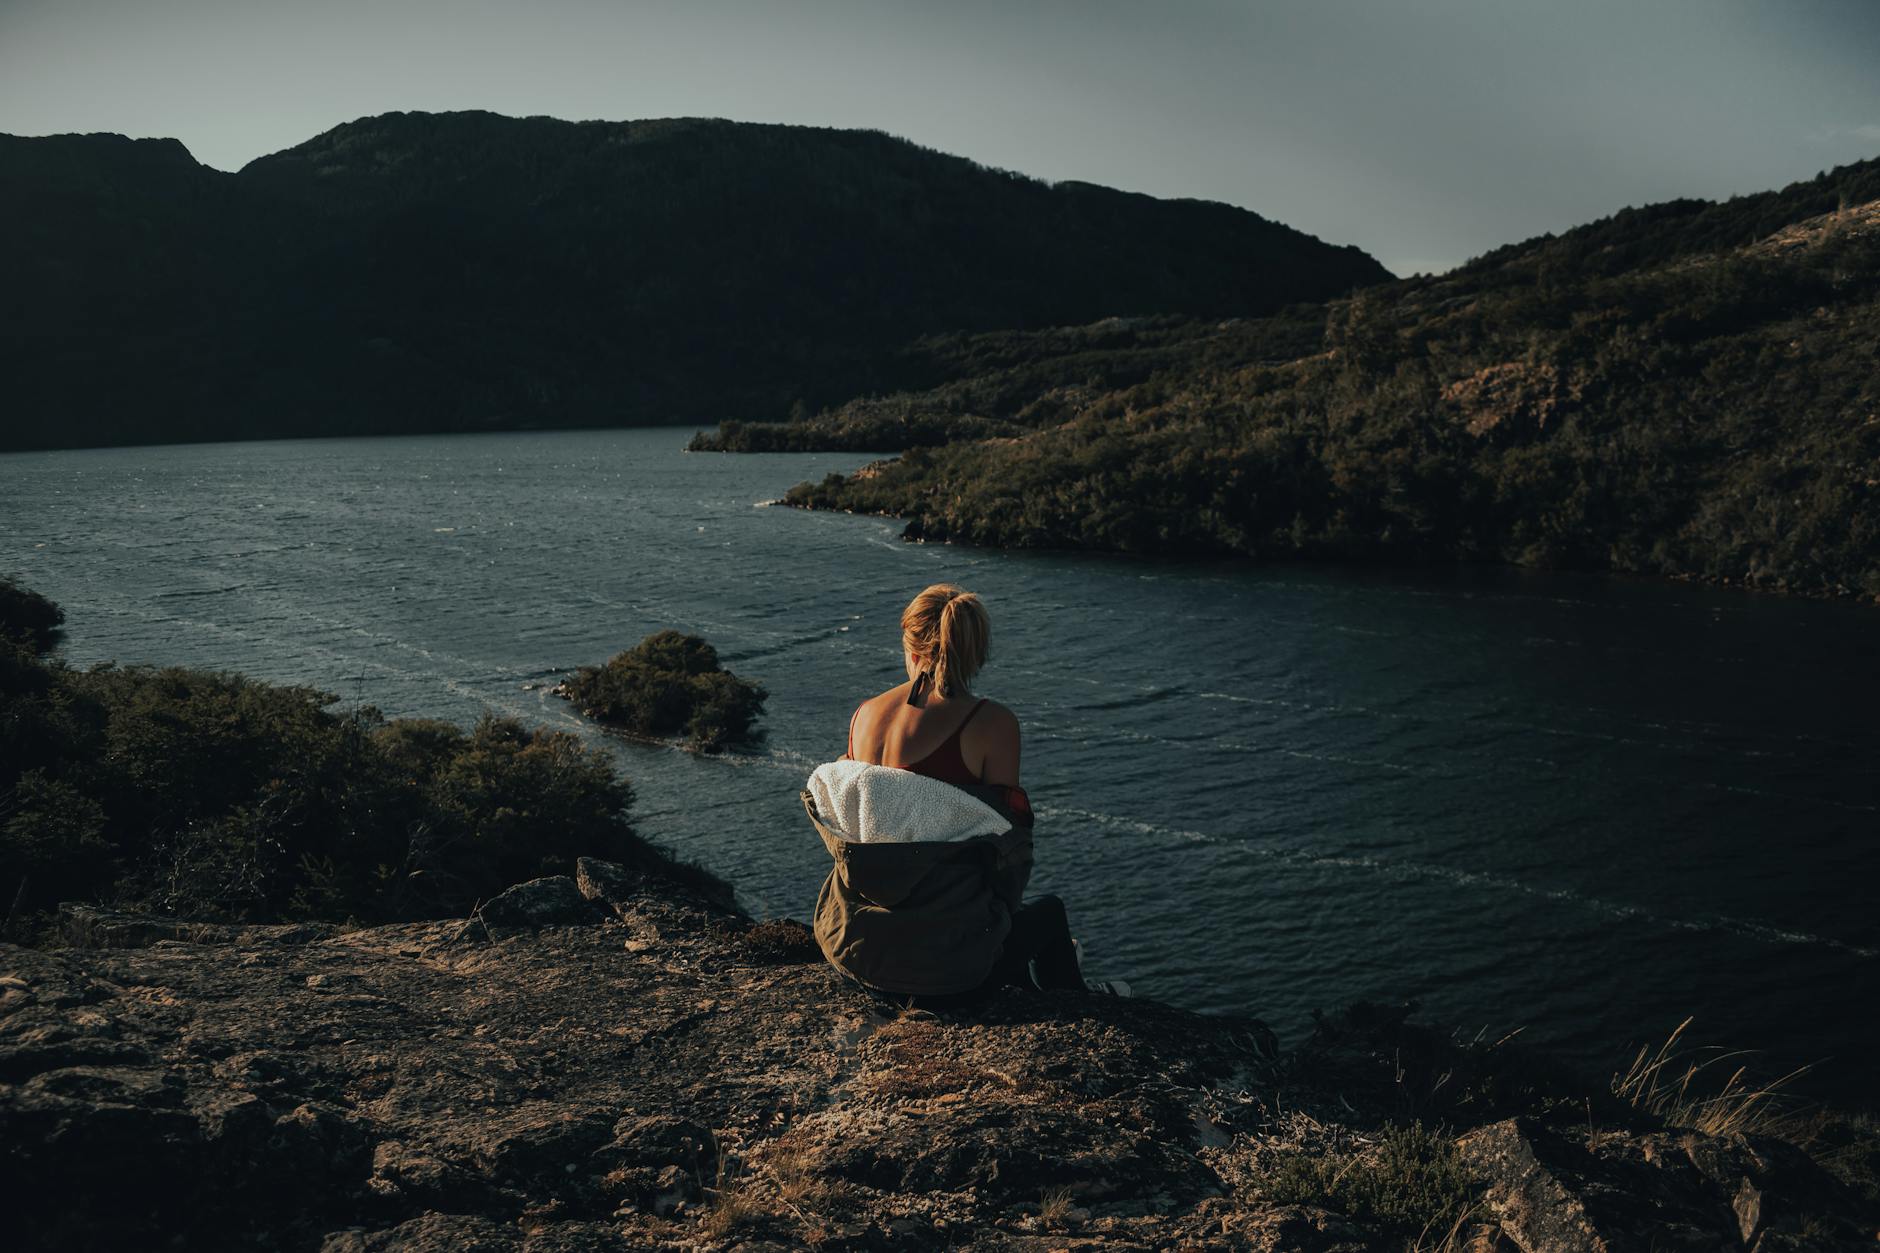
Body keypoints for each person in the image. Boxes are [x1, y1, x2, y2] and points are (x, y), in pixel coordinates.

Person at [803, 582, 1127, 1009]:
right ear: (975, 651)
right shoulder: (991, 724)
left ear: (911, 648)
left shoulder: (865, 714)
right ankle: (1078, 1002)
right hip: (945, 972)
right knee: (1047, 915)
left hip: (857, 949)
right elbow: (1007, 855)